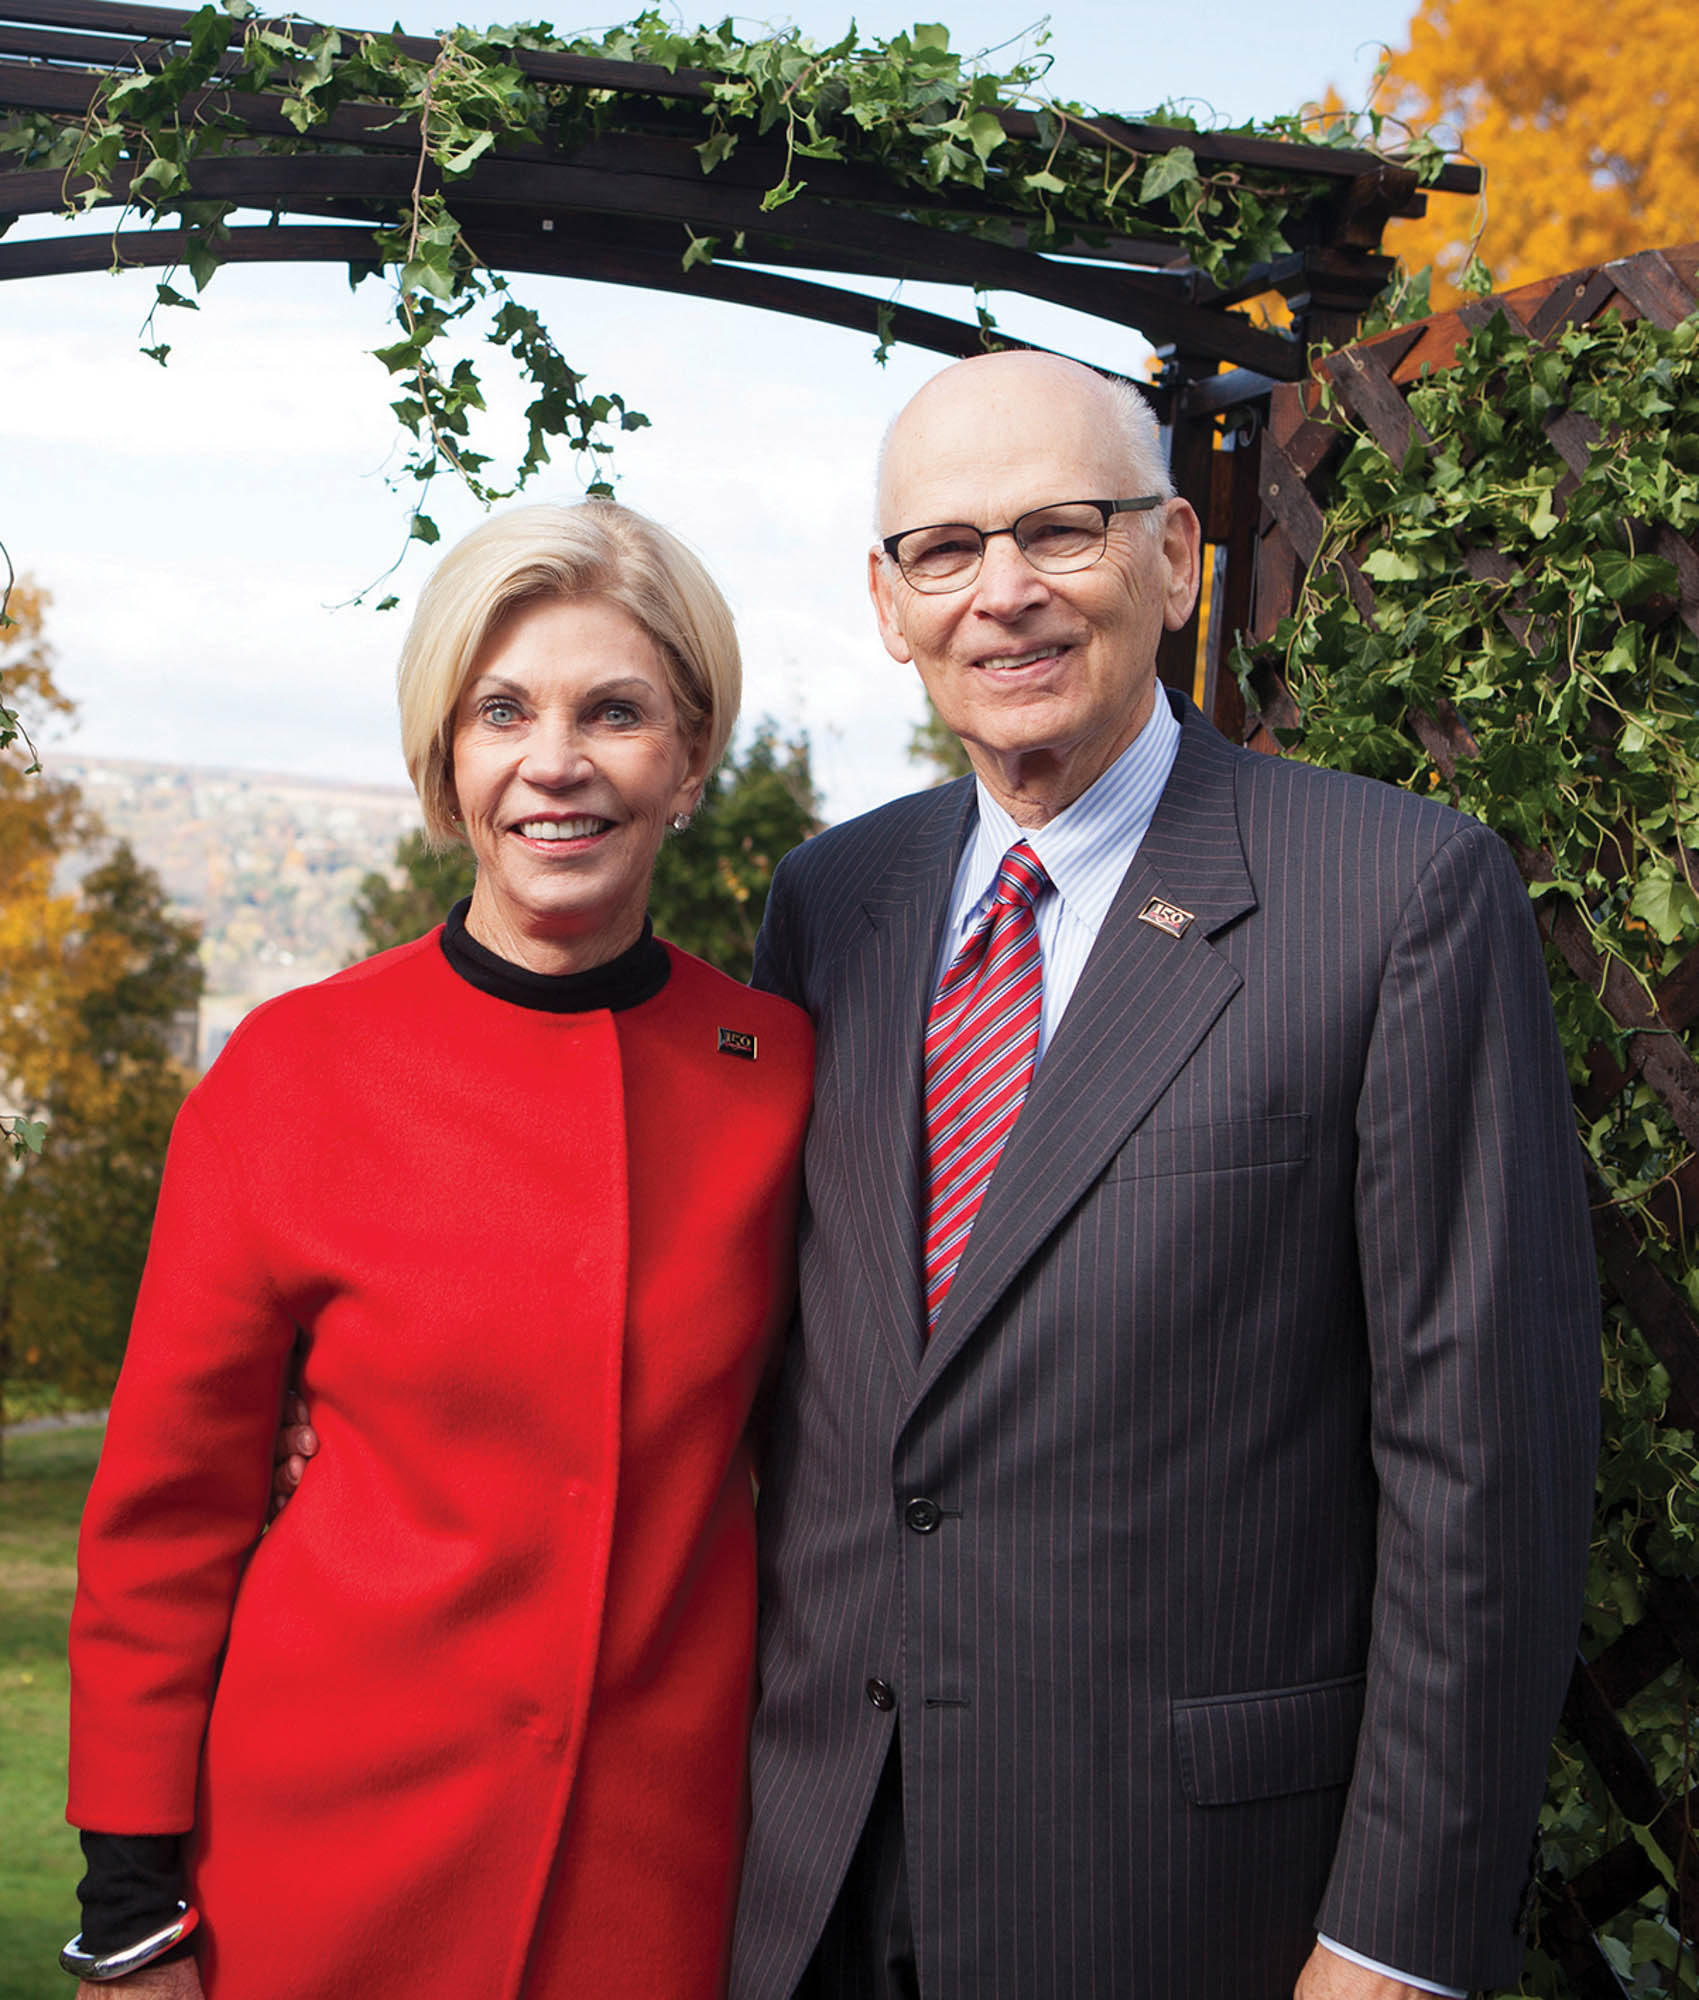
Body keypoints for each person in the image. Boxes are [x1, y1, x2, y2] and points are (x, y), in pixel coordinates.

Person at [726, 352, 1600, 1999]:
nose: (1004, 594)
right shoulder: (830, 904)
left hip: (1181, 1899)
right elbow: (770, 1348)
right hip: (816, 1884)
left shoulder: (1396, 896)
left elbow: (1486, 1470)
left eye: (1061, 530)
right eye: (945, 549)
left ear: (1178, 556)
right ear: (889, 605)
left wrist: (1394, 1943)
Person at [61, 500, 814, 1998]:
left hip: (651, 1890)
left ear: (689, 758)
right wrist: (131, 1910)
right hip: (315, 1872)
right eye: (502, 713)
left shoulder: (782, 1075)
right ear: (445, 762)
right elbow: (164, 1521)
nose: (557, 761)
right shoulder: (290, 1076)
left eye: (616, 713)